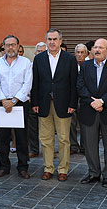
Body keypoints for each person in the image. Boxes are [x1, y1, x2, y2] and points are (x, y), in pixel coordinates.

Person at [31, 29, 78, 181]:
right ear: (46, 40)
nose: (52, 42)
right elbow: (35, 82)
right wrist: (35, 102)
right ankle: (48, 168)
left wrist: (72, 103)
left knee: (64, 138)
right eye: (49, 39)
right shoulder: (39, 59)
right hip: (44, 104)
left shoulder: (70, 59)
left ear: (60, 40)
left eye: (55, 39)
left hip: (64, 104)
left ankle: (63, 169)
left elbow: (73, 83)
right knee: (45, 138)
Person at [78, 39, 107, 187]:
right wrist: (92, 102)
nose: (97, 50)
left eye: (100, 47)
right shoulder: (85, 66)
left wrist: (102, 101)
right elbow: (80, 86)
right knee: (90, 145)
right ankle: (93, 173)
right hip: (89, 110)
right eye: (95, 47)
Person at [0, 35, 32, 179]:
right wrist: (4, 100)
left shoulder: (26, 63)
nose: (10, 47)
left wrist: (14, 101)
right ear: (3, 46)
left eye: (13, 44)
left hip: (19, 103)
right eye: (7, 45)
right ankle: (4, 167)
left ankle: (23, 167)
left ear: (18, 46)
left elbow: (27, 84)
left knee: (22, 137)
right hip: (2, 103)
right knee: (2, 137)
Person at [27, 42, 48, 158]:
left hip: (45, 100)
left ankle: (48, 150)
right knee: (32, 127)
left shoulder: (49, 66)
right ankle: (34, 149)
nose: (40, 53)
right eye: (38, 51)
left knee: (48, 128)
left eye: (43, 51)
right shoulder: (29, 65)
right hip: (31, 100)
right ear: (35, 53)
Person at [70, 43, 88, 155]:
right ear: (74, 53)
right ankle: (73, 145)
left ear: (86, 54)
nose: (80, 54)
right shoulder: (70, 65)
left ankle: (84, 146)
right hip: (72, 98)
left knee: (85, 123)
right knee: (71, 123)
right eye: (78, 52)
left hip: (85, 99)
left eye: (82, 52)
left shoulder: (90, 65)